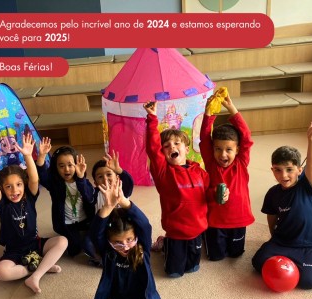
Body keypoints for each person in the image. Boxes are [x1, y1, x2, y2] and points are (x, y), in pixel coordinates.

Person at [86, 178, 171, 299]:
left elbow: (144, 225)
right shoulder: (108, 253)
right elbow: (95, 234)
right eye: (118, 242)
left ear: (136, 237)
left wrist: (125, 202)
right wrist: (107, 207)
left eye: (129, 240)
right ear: (109, 241)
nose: (125, 246)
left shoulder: (142, 249)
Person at [0, 133, 68, 294]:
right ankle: (38, 267)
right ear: (3, 189)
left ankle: (36, 275)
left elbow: (34, 180)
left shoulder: (29, 197)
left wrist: (28, 156)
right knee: (0, 273)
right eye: (8, 187)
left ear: (23, 185)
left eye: (18, 184)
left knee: (62, 241)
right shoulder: (3, 205)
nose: (14, 190)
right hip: (14, 251)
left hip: (35, 244)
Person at [143, 101, 209, 278]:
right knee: (173, 273)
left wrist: (221, 195)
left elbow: (209, 194)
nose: (172, 146)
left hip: (197, 230)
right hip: (176, 232)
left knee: (193, 268)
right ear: (163, 153)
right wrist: (152, 118)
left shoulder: (200, 172)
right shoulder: (163, 172)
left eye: (177, 143)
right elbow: (152, 148)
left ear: (186, 149)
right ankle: (164, 243)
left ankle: (169, 245)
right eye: (166, 146)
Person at [252, 121, 312, 289]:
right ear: (272, 170)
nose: (284, 175)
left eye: (289, 169)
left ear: (299, 170)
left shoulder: (307, 185)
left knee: (308, 281)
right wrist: (273, 236)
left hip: (308, 245)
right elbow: (271, 215)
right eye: (278, 170)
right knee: (258, 262)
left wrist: (311, 139)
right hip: (283, 242)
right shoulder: (273, 193)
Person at [199, 91, 255, 261]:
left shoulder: (241, 162)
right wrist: (208, 113)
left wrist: (231, 107)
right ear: (212, 149)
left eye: (229, 150)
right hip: (215, 222)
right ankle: (203, 234)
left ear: (237, 150)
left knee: (236, 254)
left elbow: (246, 136)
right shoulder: (211, 163)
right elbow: (204, 138)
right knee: (215, 256)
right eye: (218, 149)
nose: (223, 154)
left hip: (239, 220)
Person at [36, 138, 95, 260]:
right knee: (74, 250)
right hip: (67, 223)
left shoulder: (84, 182)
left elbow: (90, 198)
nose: (66, 169)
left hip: (86, 220)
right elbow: (43, 176)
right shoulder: (55, 184)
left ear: (77, 165)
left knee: (95, 240)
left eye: (70, 165)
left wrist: (80, 178)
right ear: (56, 168)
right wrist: (41, 156)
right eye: (61, 166)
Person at [89, 150, 134, 265]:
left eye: (109, 174)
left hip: (123, 229)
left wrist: (119, 170)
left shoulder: (122, 189)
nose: (105, 179)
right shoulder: (94, 194)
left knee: (138, 236)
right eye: (100, 176)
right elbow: (84, 189)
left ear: (117, 178)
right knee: (87, 243)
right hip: (104, 230)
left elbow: (129, 182)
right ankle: (101, 260)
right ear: (95, 182)